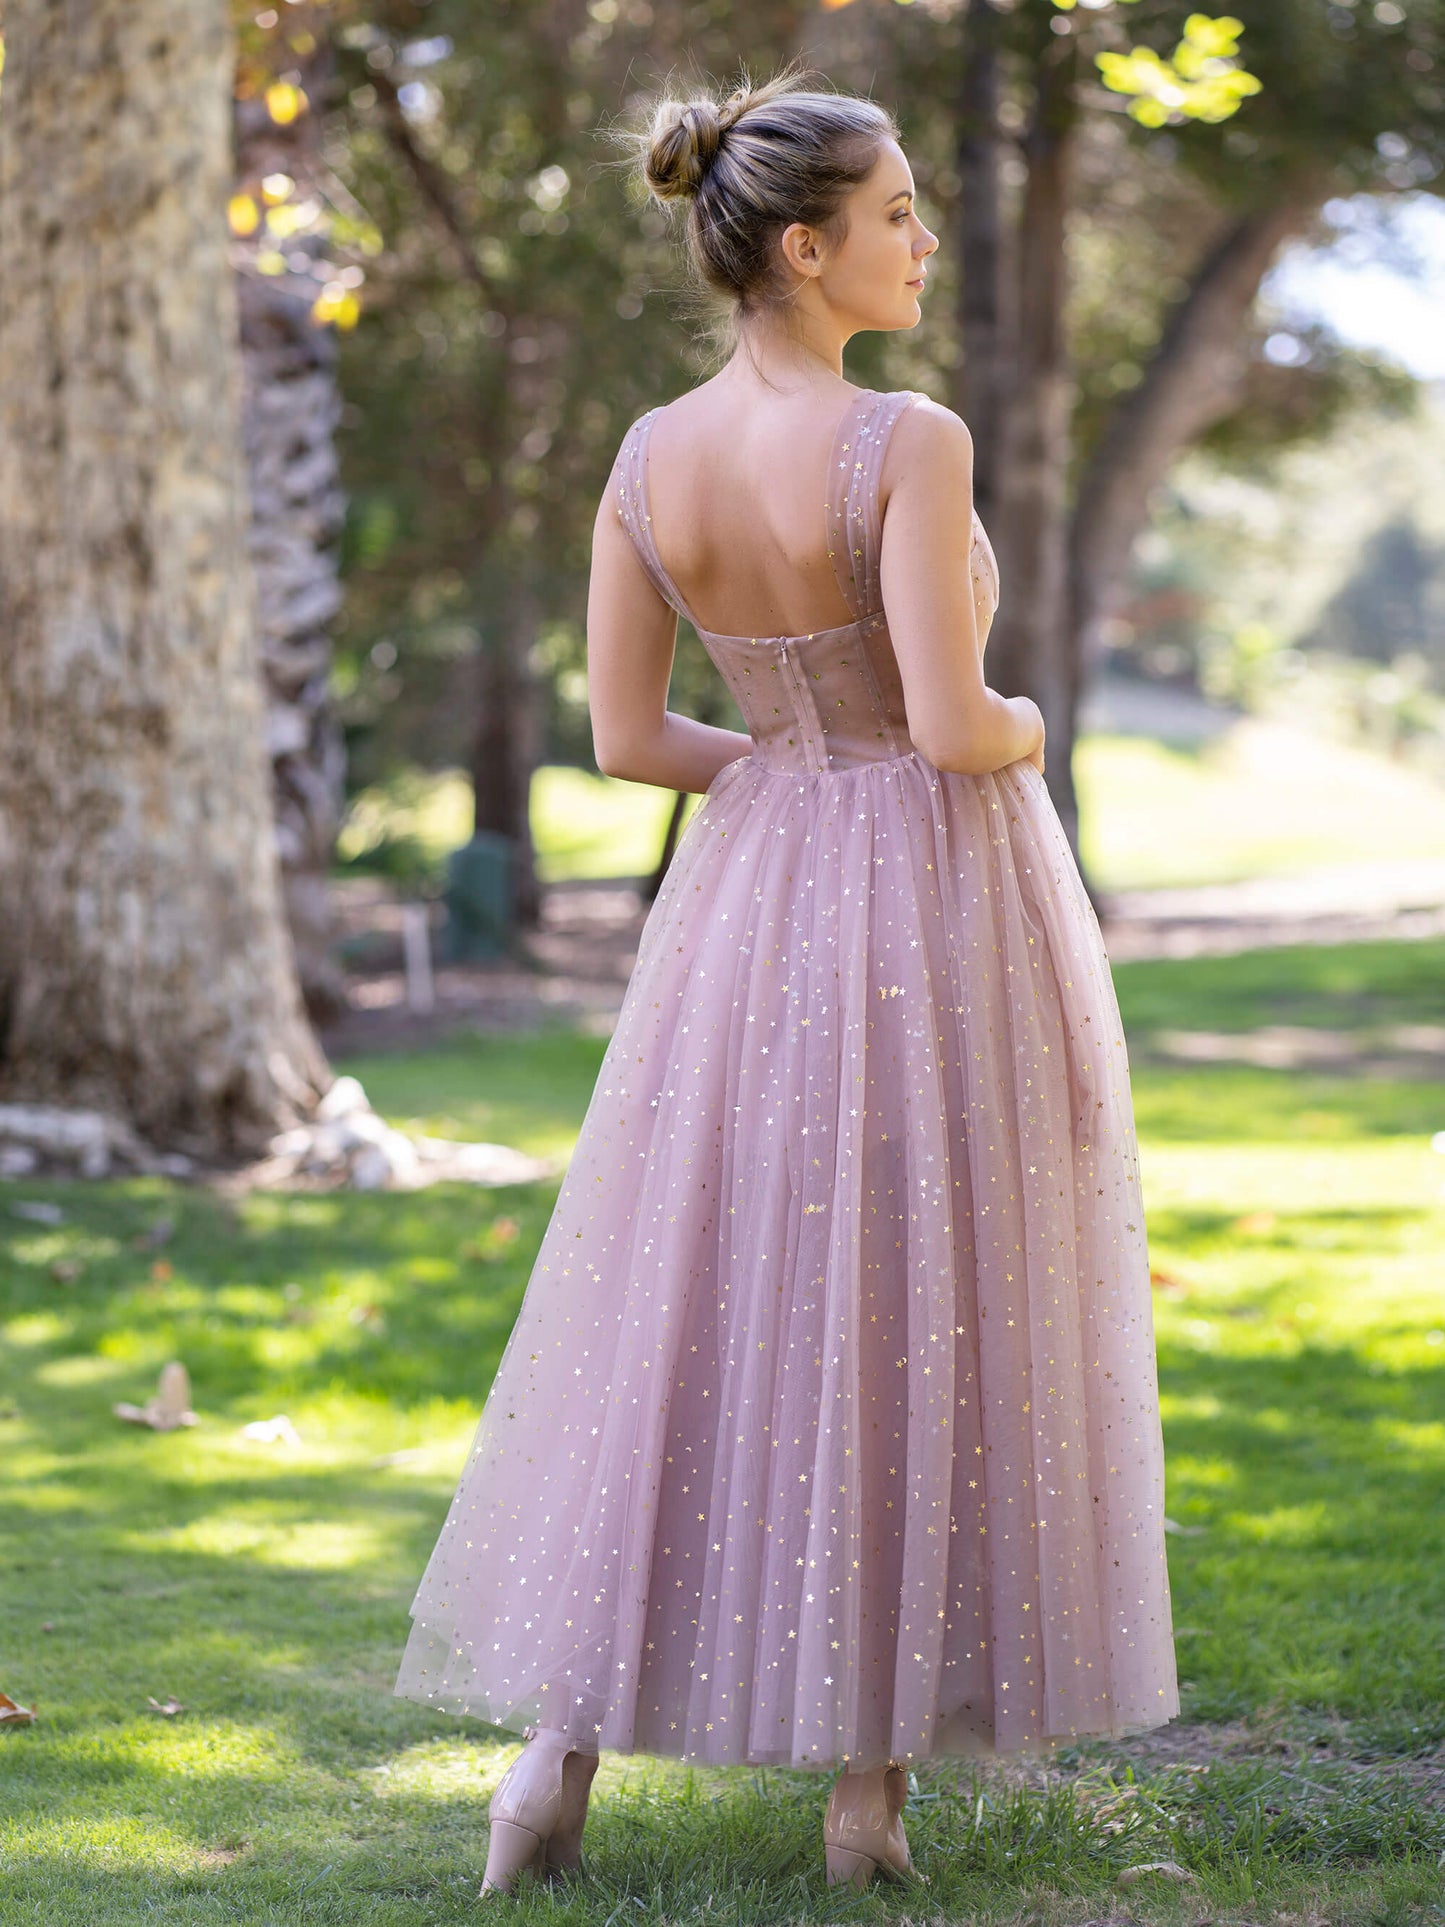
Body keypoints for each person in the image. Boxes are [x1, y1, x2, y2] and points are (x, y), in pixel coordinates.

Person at [393, 61, 1179, 1897]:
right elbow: (952, 720)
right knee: (917, 1285)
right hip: (921, 890)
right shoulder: (904, 442)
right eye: (896, 214)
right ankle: (862, 1801)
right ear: (809, 249)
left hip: (746, 901)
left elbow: (621, 739)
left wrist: (786, 779)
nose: (919, 240)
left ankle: (548, 1765)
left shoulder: (647, 455)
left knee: (699, 1285)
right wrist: (1026, 720)